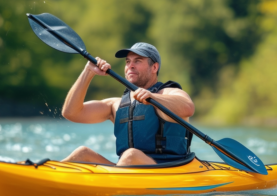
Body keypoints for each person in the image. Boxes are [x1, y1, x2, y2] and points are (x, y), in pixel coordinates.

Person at [61, 42, 195, 166]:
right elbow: (71, 113)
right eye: (128, 61)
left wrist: (153, 97)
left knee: (131, 155)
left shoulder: (168, 92)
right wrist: (88, 72)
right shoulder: (115, 105)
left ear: (154, 67)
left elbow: (188, 108)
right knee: (82, 153)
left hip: (169, 170)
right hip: (126, 170)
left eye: (137, 61)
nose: (130, 65)